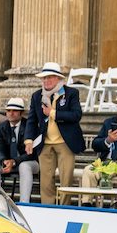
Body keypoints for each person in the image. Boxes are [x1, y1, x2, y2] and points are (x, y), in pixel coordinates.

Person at [25, 61, 85, 205]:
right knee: (45, 181)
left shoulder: (71, 93)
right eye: (44, 78)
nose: (46, 80)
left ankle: (65, 209)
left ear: (58, 79)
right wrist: (28, 140)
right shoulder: (37, 96)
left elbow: (76, 115)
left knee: (66, 181)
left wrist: (53, 113)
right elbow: (31, 120)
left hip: (65, 143)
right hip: (45, 143)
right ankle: (48, 209)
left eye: (50, 77)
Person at [0, 98, 39, 203]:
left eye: (15, 111)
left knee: (24, 166)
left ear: (21, 113)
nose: (11, 113)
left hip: (29, 162)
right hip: (9, 162)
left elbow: (32, 153)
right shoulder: (1, 127)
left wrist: (15, 161)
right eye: (8, 111)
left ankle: (24, 203)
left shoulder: (30, 127)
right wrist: (4, 161)